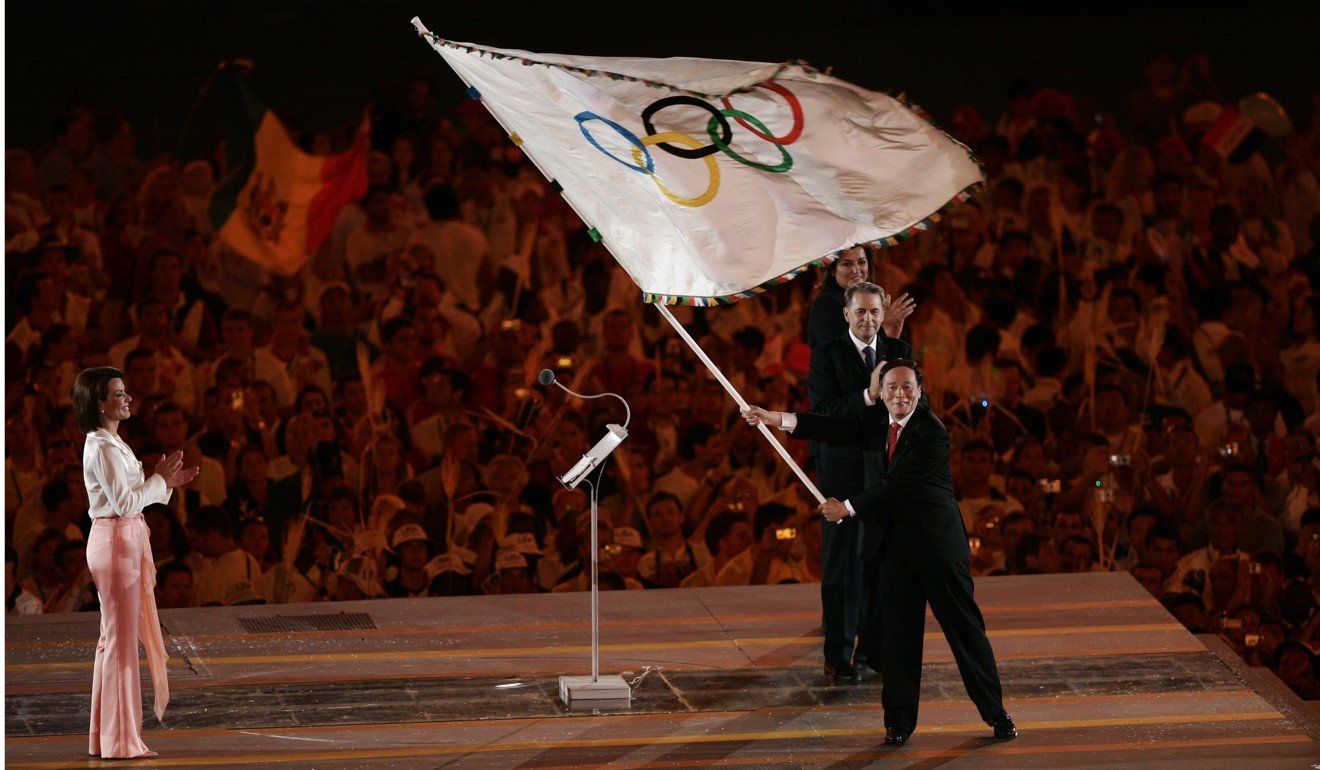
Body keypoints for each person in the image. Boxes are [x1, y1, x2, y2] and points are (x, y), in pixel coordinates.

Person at [743, 359, 1015, 744]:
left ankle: (996, 713)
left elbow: (897, 486)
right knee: (898, 642)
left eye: (907, 388)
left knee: (965, 634)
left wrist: (847, 508)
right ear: (881, 391)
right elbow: (836, 428)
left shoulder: (931, 433)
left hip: (937, 549)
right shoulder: (875, 421)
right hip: (893, 550)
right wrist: (776, 418)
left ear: (919, 392)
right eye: (891, 387)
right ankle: (899, 725)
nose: (899, 394)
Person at [73, 366, 198, 759]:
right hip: (114, 543)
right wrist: (158, 481)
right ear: (99, 402)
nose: (127, 399)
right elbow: (125, 502)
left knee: (114, 642)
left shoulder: (111, 442)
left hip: (119, 540)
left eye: (125, 392)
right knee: (121, 645)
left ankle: (107, 736)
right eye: (119, 393)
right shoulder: (103, 446)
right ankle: (120, 740)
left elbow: (131, 495)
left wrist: (164, 484)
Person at [807, 280, 914, 683]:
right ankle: (838, 654)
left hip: (885, 470)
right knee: (841, 565)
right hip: (841, 471)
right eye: (861, 311)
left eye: (874, 311)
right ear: (846, 314)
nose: (868, 319)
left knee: (881, 561)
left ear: (882, 313)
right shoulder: (826, 355)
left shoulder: (899, 352)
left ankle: (875, 648)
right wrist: (868, 396)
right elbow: (823, 412)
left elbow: (915, 402)